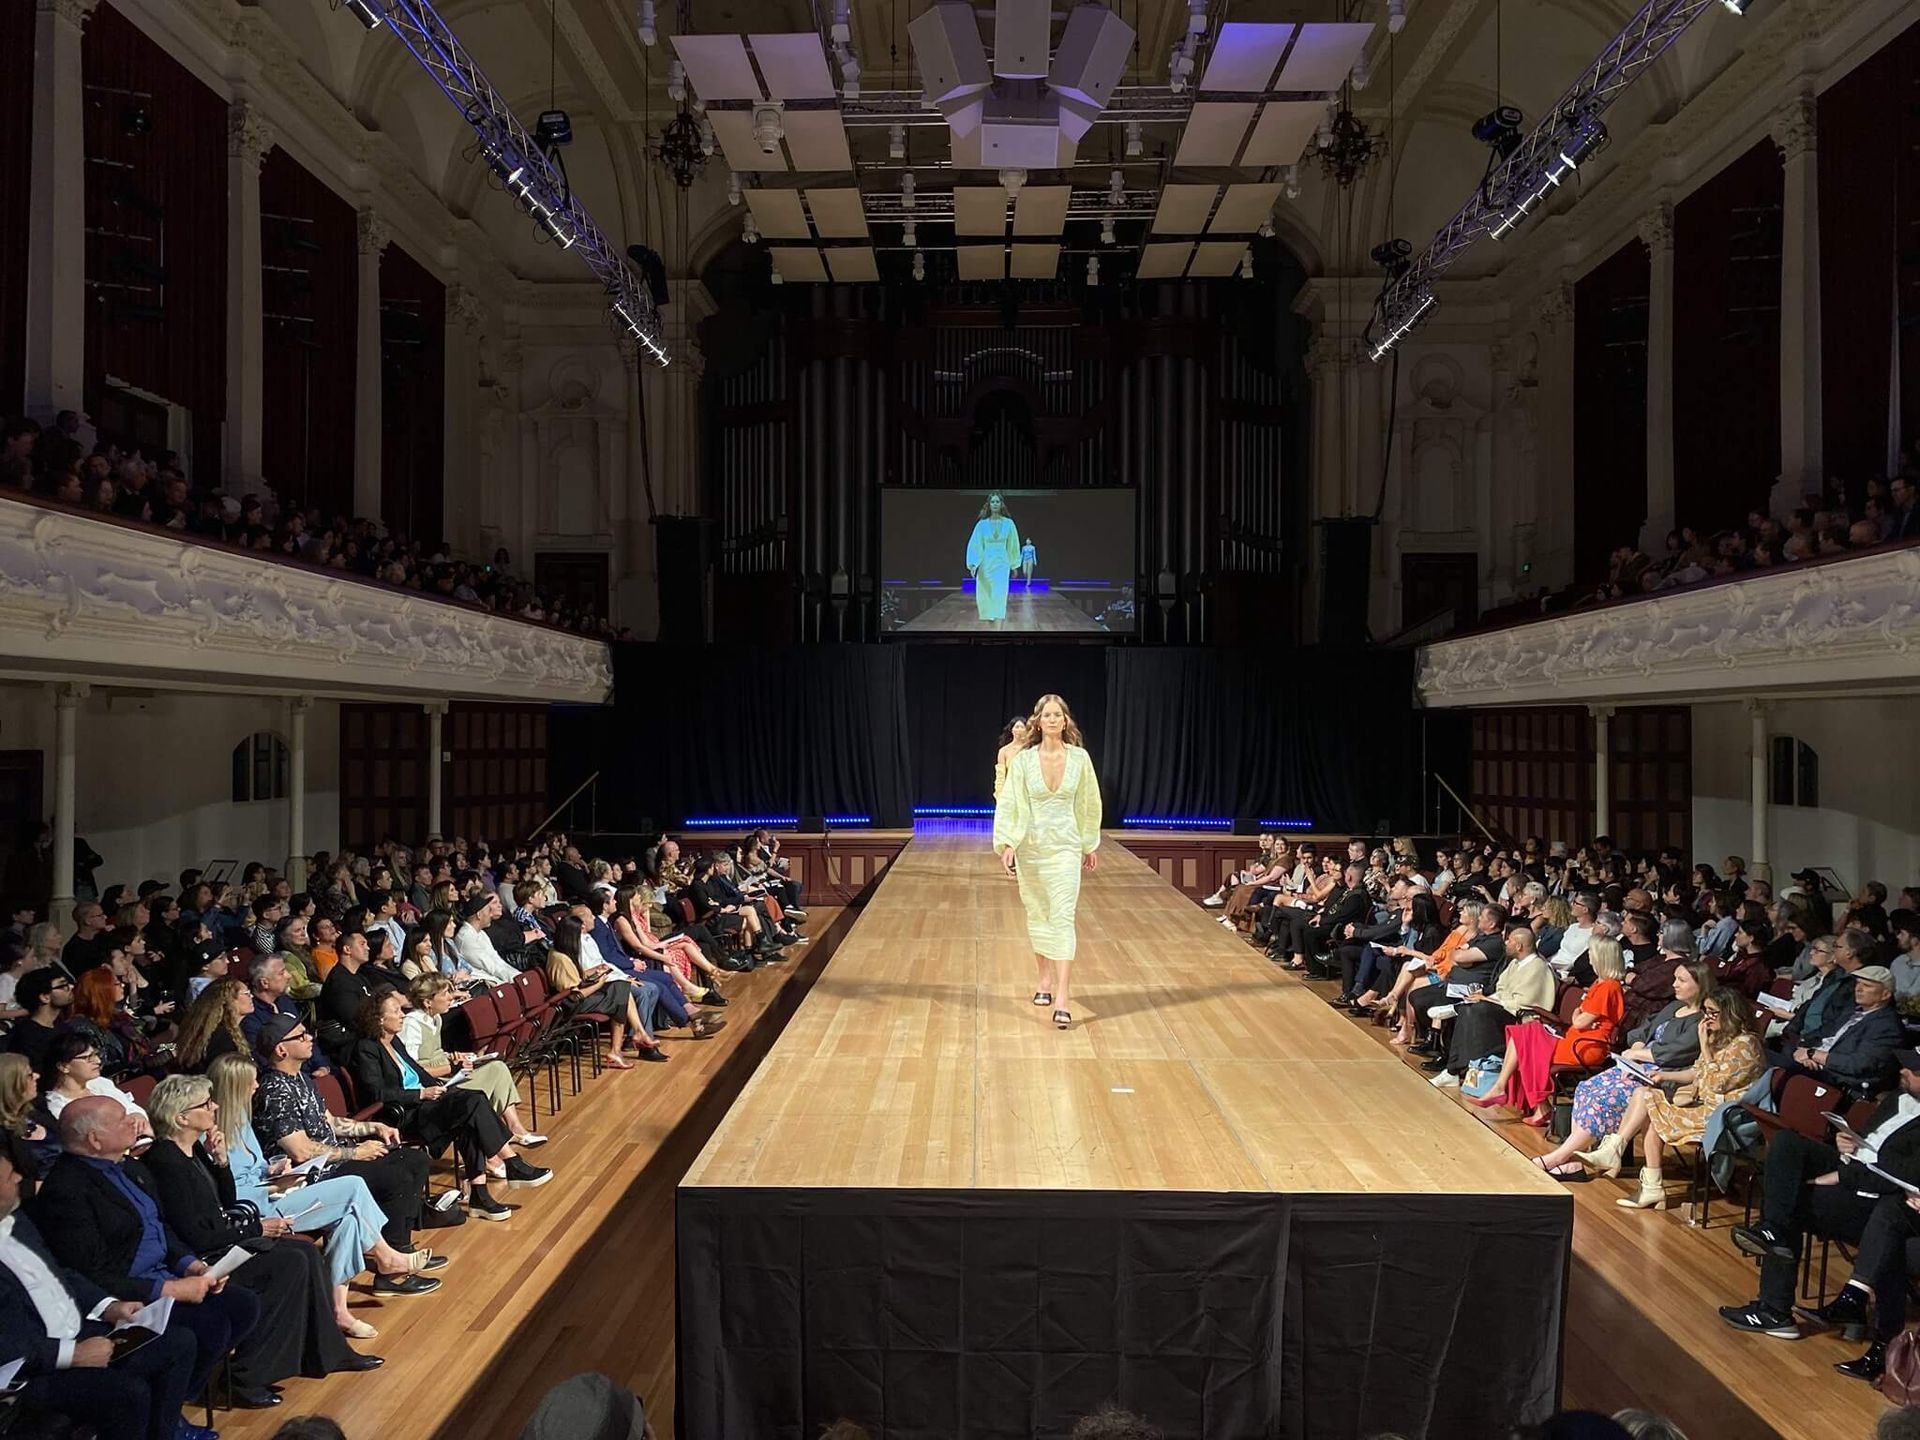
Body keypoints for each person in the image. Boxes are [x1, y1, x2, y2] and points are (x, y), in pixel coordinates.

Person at [138, 1076, 381, 1399]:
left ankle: (328, 1351)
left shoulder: (193, 1150)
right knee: (289, 1264)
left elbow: (224, 1202)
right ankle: (247, 1374)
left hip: (222, 1242)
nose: (215, 1106)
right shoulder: (165, 1161)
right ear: (181, 1117)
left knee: (305, 1255)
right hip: (202, 1259)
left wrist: (221, 1162)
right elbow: (193, 1233)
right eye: (206, 1104)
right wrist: (256, 1230)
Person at [28, 1097, 263, 1408]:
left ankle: (180, 1395)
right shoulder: (67, 1189)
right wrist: (169, 1289)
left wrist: (191, 1265)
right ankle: (167, 1409)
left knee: (244, 1304)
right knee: (210, 1327)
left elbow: (160, 1227)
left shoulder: (131, 1168)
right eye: (122, 1120)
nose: (134, 1123)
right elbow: (90, 1271)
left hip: (166, 1275)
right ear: (95, 1139)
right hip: (131, 1294)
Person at [205, 1052, 439, 1337]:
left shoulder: (242, 1115)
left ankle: (338, 1311)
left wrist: (273, 1169)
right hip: (260, 1210)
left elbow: (254, 1168)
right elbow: (232, 1191)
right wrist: (273, 1183)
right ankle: (387, 1258)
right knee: (353, 1186)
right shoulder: (216, 1133)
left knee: (349, 1220)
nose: (256, 1087)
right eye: (251, 1083)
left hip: (278, 1189)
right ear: (235, 1086)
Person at [1721, 1048, 1920, 1368]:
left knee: (1790, 1200)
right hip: (1856, 1168)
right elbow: (1865, 1141)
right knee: (1786, 1145)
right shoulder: (1898, 1099)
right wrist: (1845, 1146)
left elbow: (1904, 1176)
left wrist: (1844, 1172)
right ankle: (1774, 1231)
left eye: (1914, 1071)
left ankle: (1774, 1309)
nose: (1904, 1072)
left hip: (1875, 1196)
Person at [0, 1143, 211, 1440]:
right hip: (28, 1371)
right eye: (9, 1176)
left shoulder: (17, 1222)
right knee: (126, 1393)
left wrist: (109, 1305)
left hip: (79, 1329)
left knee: (178, 1342)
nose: (19, 1179)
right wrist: (71, 1354)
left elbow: (63, 1274)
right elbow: (7, 1343)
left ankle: (165, 1432)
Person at [346, 991, 547, 1221]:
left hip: (427, 1104)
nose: (402, 1015)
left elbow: (420, 1073)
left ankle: (481, 1195)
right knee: (472, 1103)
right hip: (404, 1116)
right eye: (396, 1011)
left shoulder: (395, 1042)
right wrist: (421, 1093)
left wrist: (449, 1083)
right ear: (378, 1019)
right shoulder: (366, 1049)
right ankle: (511, 1163)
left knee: (471, 1107)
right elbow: (377, 1093)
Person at [252, 1014, 433, 1257]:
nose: (310, 1038)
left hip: (336, 1160)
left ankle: (397, 1244)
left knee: (415, 1159)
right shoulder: (274, 1091)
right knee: (396, 1176)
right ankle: (390, 1261)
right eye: (301, 1035)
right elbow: (301, 1151)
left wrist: (374, 1127)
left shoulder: (302, 1079)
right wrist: (355, 1152)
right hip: (313, 1176)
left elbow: (331, 1121)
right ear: (281, 1049)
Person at [1532, 961, 1710, 1180]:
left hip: (1664, 1076)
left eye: (1682, 980)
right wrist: (1635, 1050)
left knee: (1604, 1099)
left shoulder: (1700, 1021)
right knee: (1587, 1088)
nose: (1674, 984)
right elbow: (1641, 1031)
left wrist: (1638, 1055)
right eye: (1675, 978)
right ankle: (1573, 1160)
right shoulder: (1673, 1008)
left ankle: (1561, 1157)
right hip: (1638, 1066)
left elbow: (1675, 1053)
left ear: (1701, 985)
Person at [1600, 988, 1766, 1210]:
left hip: (1722, 1115)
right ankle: (1628, 1163)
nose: (1706, 1018)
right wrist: (1663, 1075)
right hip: (1703, 1104)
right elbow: (1696, 1072)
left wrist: (1704, 1046)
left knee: (1649, 1104)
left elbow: (1716, 1083)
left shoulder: (1747, 1044)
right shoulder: (1719, 1037)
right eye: (1705, 1011)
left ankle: (1641, 1177)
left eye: (1713, 1012)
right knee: (1645, 1094)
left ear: (1731, 1013)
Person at [993, 693, 1102, 1030]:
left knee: (1064, 915)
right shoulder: (1023, 762)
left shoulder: (1080, 758)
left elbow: (1088, 802)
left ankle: (1064, 997)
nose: (1054, 720)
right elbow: (1010, 802)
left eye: (1059, 715)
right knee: (1038, 912)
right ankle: (1044, 979)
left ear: (1065, 721)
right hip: (1032, 848)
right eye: (1048, 715)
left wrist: (1089, 843)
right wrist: (1007, 842)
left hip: (1066, 847)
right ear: (1038, 721)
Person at [1475, 936, 1629, 1124]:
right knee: (1523, 1034)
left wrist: (1578, 1015)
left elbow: (1580, 1021)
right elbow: (1580, 1018)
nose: (1589, 957)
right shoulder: (1600, 983)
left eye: (1591, 953)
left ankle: (1527, 1099)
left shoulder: (1608, 987)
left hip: (1585, 1046)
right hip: (1575, 1038)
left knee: (1527, 1043)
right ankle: (1508, 1090)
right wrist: (1578, 1015)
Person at [400, 974, 550, 1139]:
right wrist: (452, 1066)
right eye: (444, 994)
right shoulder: (412, 1024)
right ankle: (498, 1134)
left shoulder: (435, 1018)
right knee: (496, 1071)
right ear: (427, 1002)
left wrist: (453, 1056)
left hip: (449, 1072)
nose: (450, 997)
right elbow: (412, 1069)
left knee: (497, 1067)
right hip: (434, 1085)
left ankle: (514, 1127)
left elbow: (434, 1052)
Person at [965, 492, 1021, 627]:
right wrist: (973, 564)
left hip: (1002, 562)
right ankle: (991, 633)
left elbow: (1013, 544)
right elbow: (975, 544)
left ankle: (998, 631)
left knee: (1000, 595)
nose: (995, 504)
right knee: (987, 597)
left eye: (997, 502)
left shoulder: (1009, 524)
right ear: (989, 505)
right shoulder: (982, 525)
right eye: (993, 502)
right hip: (985, 564)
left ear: (1001, 504)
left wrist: (1014, 565)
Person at [992, 716, 1029, 804]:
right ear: (1012, 730)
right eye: (1017, 727)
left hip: (1028, 792)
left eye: (1022, 727)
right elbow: (1000, 776)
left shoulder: (1031, 749)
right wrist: (999, 795)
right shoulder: (1004, 751)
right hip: (1010, 793)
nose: (1019, 730)